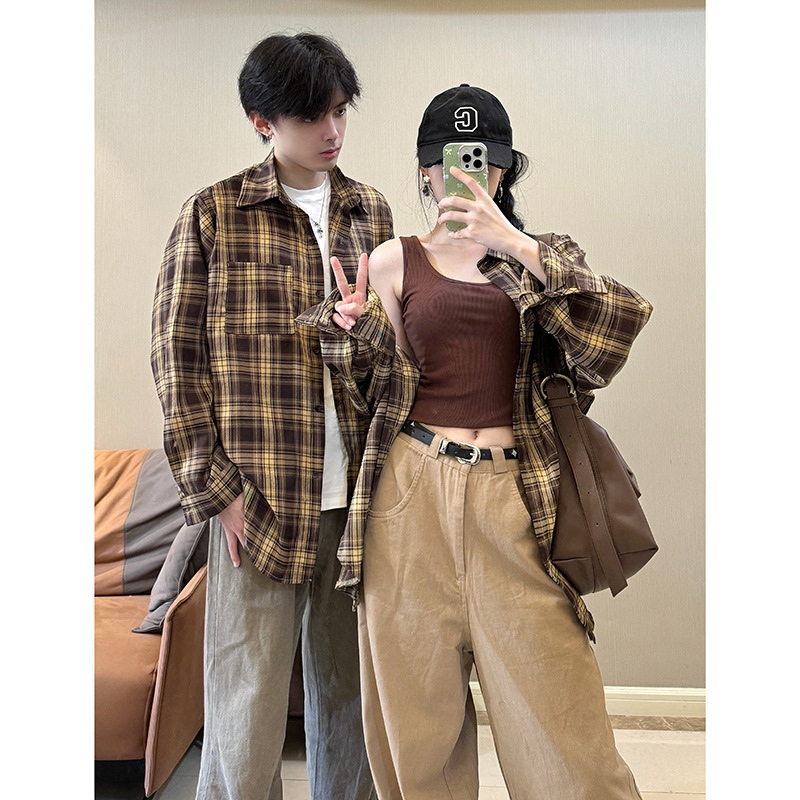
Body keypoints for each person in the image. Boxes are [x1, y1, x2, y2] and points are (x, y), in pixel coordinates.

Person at [297, 84, 653, 799]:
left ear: (503, 169)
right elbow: (377, 397)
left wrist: (511, 243)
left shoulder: (543, 257)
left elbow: (612, 334)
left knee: (565, 726)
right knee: (416, 727)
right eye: (449, 163)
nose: (465, 176)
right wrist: (354, 335)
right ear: (426, 172)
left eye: (482, 162)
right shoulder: (391, 261)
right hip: (409, 495)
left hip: (514, 496)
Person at [151, 33, 392, 800]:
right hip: (255, 502)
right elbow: (176, 361)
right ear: (263, 121)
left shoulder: (370, 211)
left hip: (356, 504)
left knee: (351, 706)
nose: (333, 130)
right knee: (245, 710)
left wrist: (366, 333)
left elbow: (391, 359)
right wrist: (216, 493)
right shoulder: (213, 214)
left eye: (340, 111)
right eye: (312, 115)